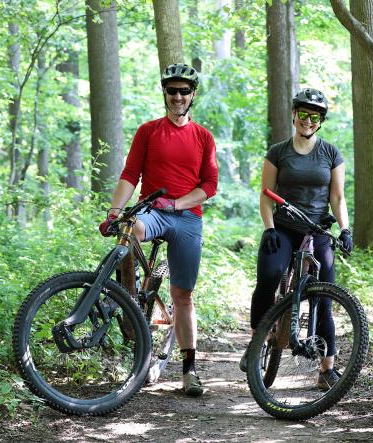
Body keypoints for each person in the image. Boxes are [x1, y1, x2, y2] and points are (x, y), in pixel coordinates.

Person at [99, 63, 218, 397]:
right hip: (151, 211)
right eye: (172, 91)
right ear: (164, 93)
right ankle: (129, 291)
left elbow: (209, 185)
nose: (177, 97)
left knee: (183, 296)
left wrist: (177, 203)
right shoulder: (148, 131)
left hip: (187, 217)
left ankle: (189, 370)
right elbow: (129, 174)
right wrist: (114, 211)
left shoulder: (203, 137)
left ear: (192, 95)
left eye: (184, 91)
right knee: (130, 228)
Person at [240, 87, 353, 390]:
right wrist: (268, 229)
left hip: (317, 230)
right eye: (303, 114)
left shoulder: (331, 154)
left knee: (325, 292)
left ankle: (326, 368)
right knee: (269, 274)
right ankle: (256, 340)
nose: (307, 120)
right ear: (294, 115)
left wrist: (345, 229)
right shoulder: (278, 151)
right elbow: (266, 195)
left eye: (314, 116)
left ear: (320, 121)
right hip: (284, 228)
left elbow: (338, 197)